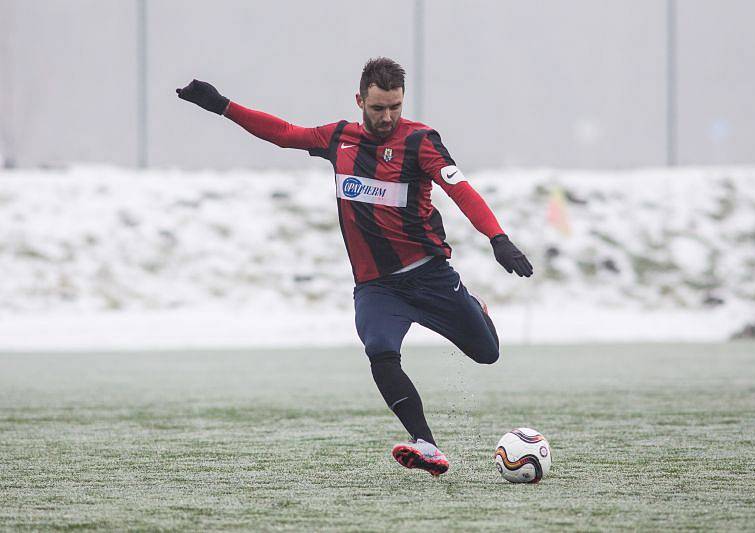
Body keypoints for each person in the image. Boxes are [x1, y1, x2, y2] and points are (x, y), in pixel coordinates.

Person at [177, 57, 533, 477]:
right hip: (377, 287)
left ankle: (477, 311)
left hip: (429, 275)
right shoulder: (338, 139)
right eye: (378, 108)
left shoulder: (420, 141)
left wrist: (498, 237)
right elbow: (284, 134)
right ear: (359, 100)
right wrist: (223, 106)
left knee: (487, 354)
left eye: (395, 107)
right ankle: (428, 445)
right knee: (380, 351)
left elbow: (460, 189)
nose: (387, 117)